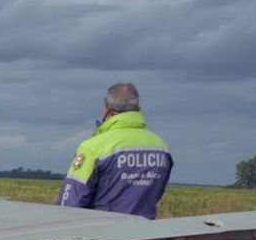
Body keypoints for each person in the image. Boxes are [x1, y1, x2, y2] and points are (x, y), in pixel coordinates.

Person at [57, 82, 172, 218]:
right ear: (138, 109)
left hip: (103, 233)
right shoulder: (161, 147)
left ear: (106, 108)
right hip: (146, 232)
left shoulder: (92, 147)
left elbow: (69, 203)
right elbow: (157, 194)